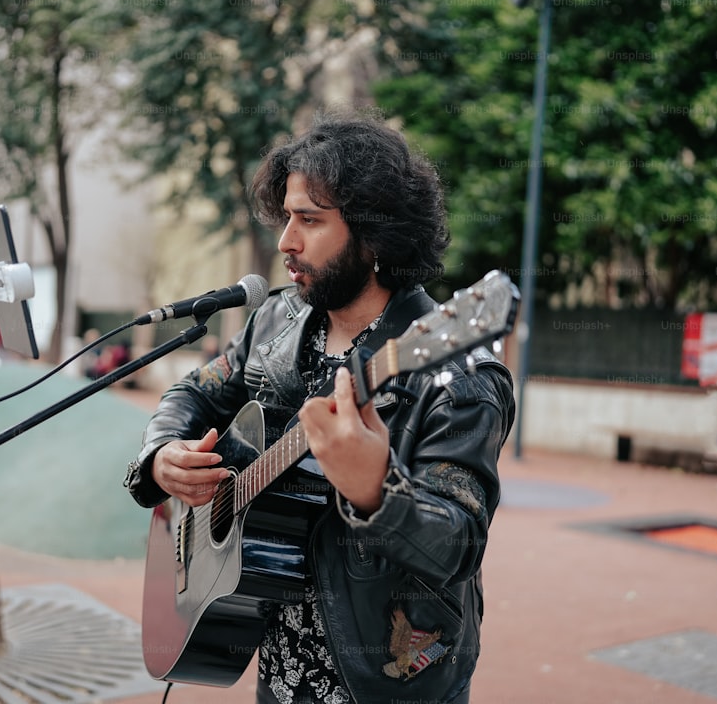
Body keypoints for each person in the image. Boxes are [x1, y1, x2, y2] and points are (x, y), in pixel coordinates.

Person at [125, 110, 515, 704]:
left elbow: (457, 545)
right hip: (279, 669)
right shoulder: (275, 322)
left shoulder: (456, 378)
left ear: (375, 233)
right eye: (286, 217)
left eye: (309, 220)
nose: (286, 240)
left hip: (387, 681)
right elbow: (194, 393)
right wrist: (161, 456)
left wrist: (374, 494)